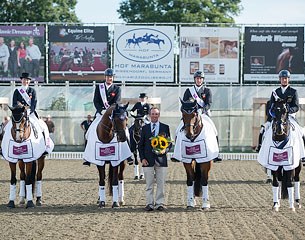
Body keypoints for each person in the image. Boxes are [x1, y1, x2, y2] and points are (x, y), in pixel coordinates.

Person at [83, 67, 121, 166]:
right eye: (108, 77)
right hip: (100, 114)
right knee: (89, 132)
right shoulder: (99, 87)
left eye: (111, 77)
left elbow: (117, 102)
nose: (110, 78)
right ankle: (88, 157)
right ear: (105, 77)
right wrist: (101, 110)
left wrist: (109, 110)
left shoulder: (117, 88)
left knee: (124, 131)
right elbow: (96, 101)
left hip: (112, 114)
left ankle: (127, 154)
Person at [183, 70, 222, 162]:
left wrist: (202, 110)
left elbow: (209, 103)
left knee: (214, 130)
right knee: (178, 130)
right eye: (197, 78)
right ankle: (177, 153)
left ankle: (217, 153)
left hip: (203, 114)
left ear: (202, 80)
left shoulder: (207, 91)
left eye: (200, 79)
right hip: (191, 115)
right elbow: (184, 103)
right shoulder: (189, 91)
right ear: (195, 80)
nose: (199, 80)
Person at [139, 107, 172, 211]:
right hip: (148, 160)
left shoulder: (165, 127)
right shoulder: (144, 128)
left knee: (161, 184)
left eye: (156, 114)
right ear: (149, 115)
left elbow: (169, 143)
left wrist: (165, 151)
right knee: (149, 184)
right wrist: (142, 158)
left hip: (161, 160)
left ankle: (159, 203)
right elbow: (141, 145)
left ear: (159, 115)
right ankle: (149, 203)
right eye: (152, 114)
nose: (154, 116)